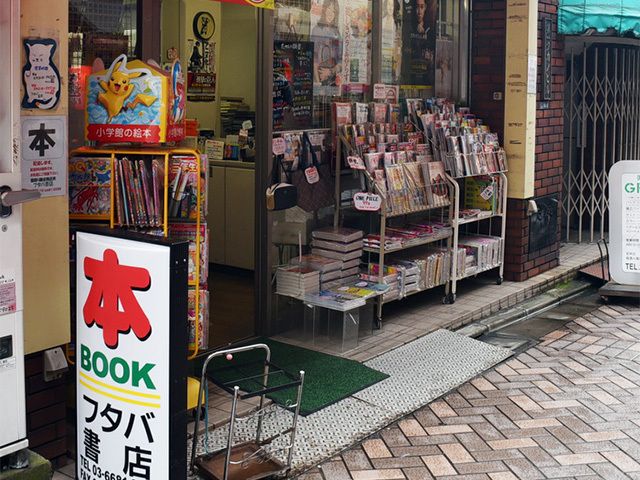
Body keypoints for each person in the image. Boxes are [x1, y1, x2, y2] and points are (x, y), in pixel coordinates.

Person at [311, 0, 342, 88]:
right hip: (319, 78)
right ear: (324, 10)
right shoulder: (317, 30)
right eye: (329, 9)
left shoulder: (337, 33)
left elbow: (341, 62)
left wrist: (331, 71)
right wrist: (318, 83)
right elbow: (314, 59)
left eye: (334, 11)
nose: (331, 13)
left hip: (333, 81)